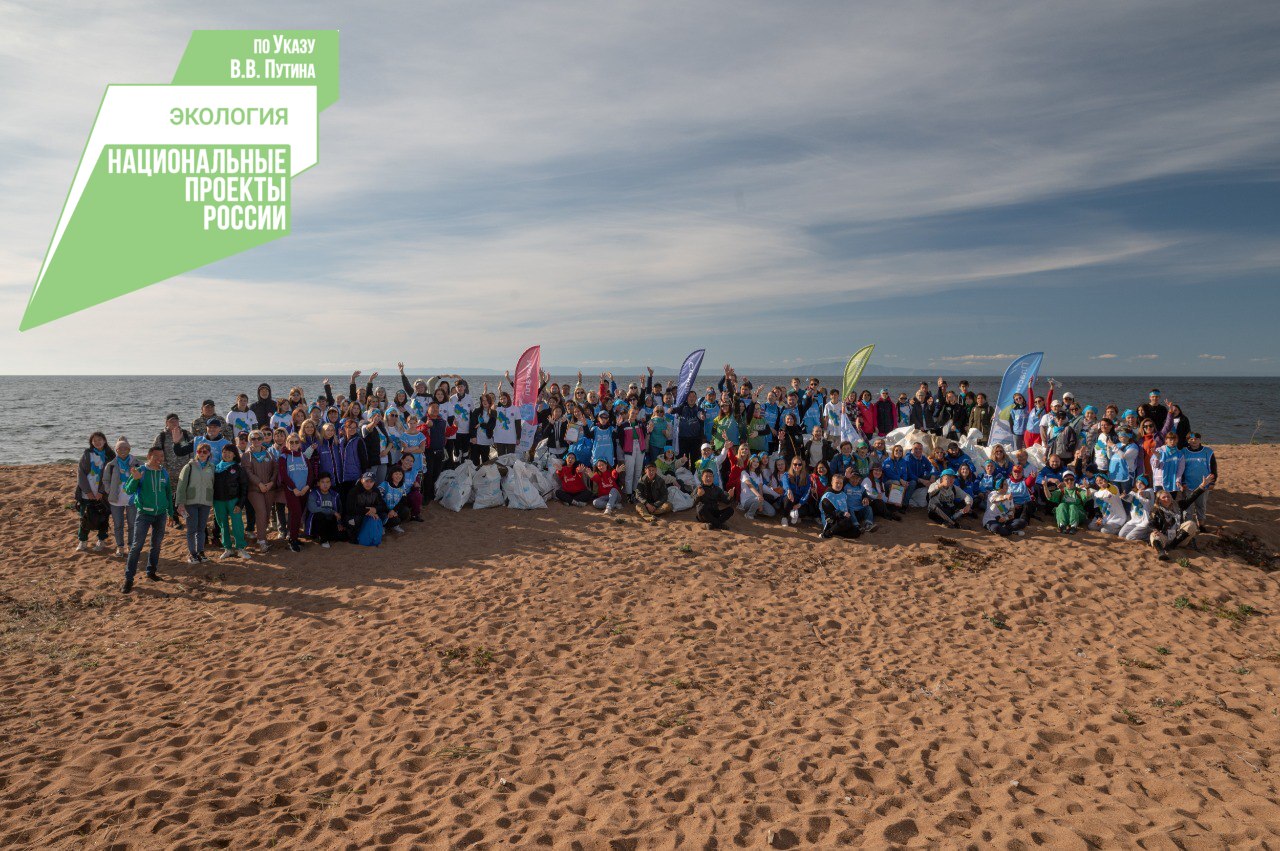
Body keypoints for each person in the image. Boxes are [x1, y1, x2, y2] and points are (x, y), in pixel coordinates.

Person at [120, 446, 177, 593]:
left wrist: (171, 513)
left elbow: (168, 493)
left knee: (156, 545)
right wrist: (134, 479)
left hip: (161, 515)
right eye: (156, 456)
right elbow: (128, 490)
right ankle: (129, 579)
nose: (159, 459)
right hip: (144, 514)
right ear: (149, 456)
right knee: (137, 546)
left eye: (162, 457)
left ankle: (151, 572)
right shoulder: (141, 471)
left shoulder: (163, 472)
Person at [1148, 478, 1214, 560]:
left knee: (1191, 524)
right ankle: (1161, 552)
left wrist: (1202, 485)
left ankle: (1172, 546)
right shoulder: (1155, 510)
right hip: (1164, 538)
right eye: (1163, 497)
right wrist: (1155, 529)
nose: (1167, 498)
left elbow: (1191, 498)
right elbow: (1151, 523)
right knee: (1153, 535)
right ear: (1159, 500)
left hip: (1179, 538)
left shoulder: (1178, 505)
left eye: (1168, 496)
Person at [175, 442, 216, 562]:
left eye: (205, 452)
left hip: (205, 502)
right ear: (196, 453)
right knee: (192, 529)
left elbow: (213, 485)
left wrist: (212, 501)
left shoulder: (212, 467)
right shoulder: (189, 466)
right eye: (199, 451)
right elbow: (181, 486)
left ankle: (201, 552)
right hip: (190, 502)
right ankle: (192, 553)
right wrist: (180, 503)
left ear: (209, 454)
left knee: (202, 528)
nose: (202, 454)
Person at [74, 432, 114, 552]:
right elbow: (81, 474)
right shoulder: (87, 454)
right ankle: (83, 541)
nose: (97, 442)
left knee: (103, 517)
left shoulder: (110, 456)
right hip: (87, 493)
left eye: (100, 439)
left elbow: (110, 475)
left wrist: (101, 491)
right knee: (85, 516)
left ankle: (101, 540)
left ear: (104, 440)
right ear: (91, 442)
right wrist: (88, 491)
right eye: (94, 440)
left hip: (103, 493)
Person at [277, 433, 316, 552]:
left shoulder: (304, 457)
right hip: (291, 491)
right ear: (287, 443)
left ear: (300, 444)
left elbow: (310, 474)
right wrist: (294, 488)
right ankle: (292, 540)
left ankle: (294, 537)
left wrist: (307, 486)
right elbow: (284, 476)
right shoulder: (283, 457)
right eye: (291, 442)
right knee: (296, 513)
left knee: (299, 514)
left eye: (296, 442)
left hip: (304, 490)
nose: (294, 444)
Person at [100, 437, 139, 557]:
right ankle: (120, 547)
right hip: (116, 500)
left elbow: (143, 478)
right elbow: (105, 480)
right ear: (116, 450)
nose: (122, 450)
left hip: (132, 500)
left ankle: (131, 546)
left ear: (129, 449)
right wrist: (109, 490)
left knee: (132, 524)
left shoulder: (137, 463)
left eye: (125, 448)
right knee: (118, 525)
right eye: (119, 448)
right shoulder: (111, 465)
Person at [212, 443, 249, 559]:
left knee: (237, 524)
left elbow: (244, 487)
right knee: (223, 524)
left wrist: (240, 504)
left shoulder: (238, 468)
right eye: (224, 452)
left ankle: (240, 548)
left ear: (234, 454)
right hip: (218, 501)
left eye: (229, 452)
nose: (226, 454)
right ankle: (228, 548)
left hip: (233, 501)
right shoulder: (215, 468)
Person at [1181, 434, 1217, 527]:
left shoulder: (1208, 451)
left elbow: (1213, 467)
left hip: (1204, 484)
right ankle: (1187, 527)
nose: (1194, 441)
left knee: (1201, 506)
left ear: (1200, 440)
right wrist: (1183, 482)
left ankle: (1201, 526)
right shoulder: (1183, 451)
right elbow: (1180, 469)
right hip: (1188, 485)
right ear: (1188, 441)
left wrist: (1212, 481)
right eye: (1191, 439)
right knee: (1187, 507)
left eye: (1196, 439)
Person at [1044, 469, 1088, 534]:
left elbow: (1087, 496)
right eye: (1066, 480)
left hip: (1077, 515)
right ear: (1063, 481)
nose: (1069, 481)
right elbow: (1049, 497)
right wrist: (1045, 486)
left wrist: (1087, 488)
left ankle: (1073, 526)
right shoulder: (1062, 491)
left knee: (1073, 506)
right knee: (1062, 505)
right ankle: (1062, 526)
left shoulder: (1079, 491)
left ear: (1074, 480)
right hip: (1064, 515)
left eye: (1071, 479)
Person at [306, 473, 343, 547]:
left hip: (329, 522)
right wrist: (332, 512)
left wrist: (339, 523)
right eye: (322, 482)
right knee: (320, 515)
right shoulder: (313, 494)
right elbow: (313, 509)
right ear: (318, 483)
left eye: (327, 482)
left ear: (330, 483)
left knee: (343, 537)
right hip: (317, 523)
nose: (325, 484)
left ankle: (328, 536)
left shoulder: (335, 495)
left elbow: (339, 511)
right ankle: (323, 540)